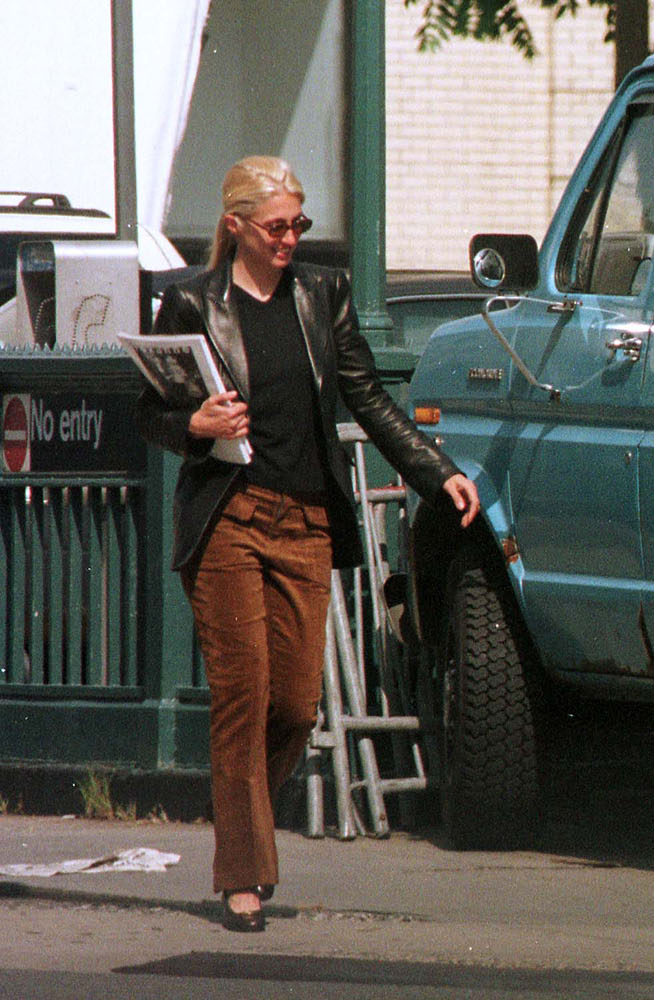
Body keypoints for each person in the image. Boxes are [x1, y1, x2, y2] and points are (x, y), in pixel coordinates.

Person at [134, 156, 480, 932]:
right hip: (229, 515)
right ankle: (244, 875)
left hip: (306, 521)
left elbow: (368, 396)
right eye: (278, 226)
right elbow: (149, 410)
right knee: (243, 693)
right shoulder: (191, 301)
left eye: (300, 224)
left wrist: (435, 472)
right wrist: (194, 425)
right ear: (237, 227)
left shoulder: (322, 296)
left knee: (294, 704)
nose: (292, 238)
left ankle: (239, 811)